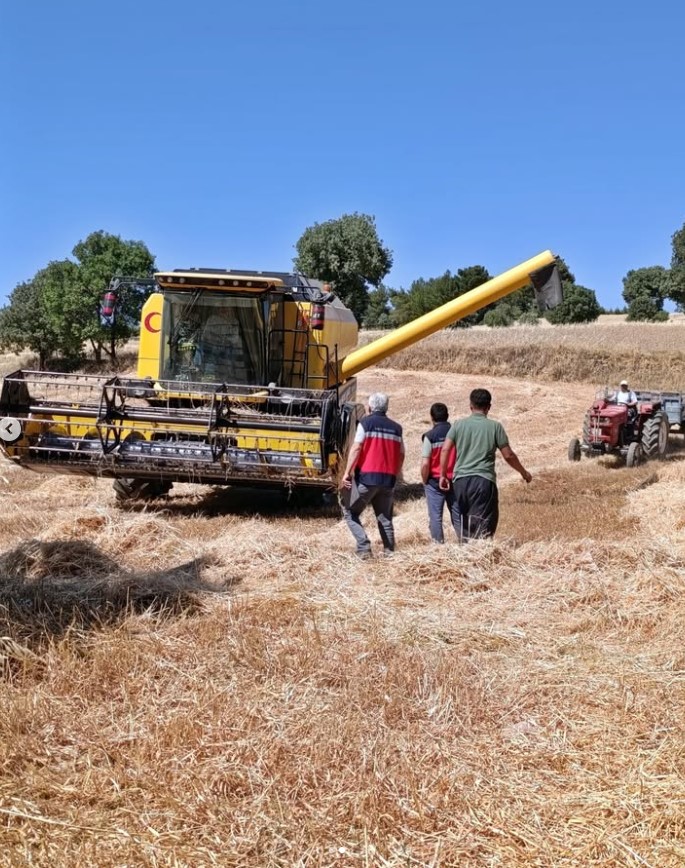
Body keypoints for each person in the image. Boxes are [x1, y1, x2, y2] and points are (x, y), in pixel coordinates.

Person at [439, 388, 532, 541]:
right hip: (483, 481)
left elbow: (445, 450)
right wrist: (524, 473)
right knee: (484, 526)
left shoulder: (458, 425)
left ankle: (465, 554)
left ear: (470, 406)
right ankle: (479, 557)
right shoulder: (495, 427)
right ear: (489, 407)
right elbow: (508, 455)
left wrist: (443, 475)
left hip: (460, 482)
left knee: (465, 524)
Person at [340, 392, 405, 558]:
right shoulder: (397, 428)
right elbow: (402, 453)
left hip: (367, 479)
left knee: (350, 512)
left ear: (370, 407)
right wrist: (395, 475)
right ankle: (390, 552)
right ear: (386, 408)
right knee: (385, 518)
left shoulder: (365, 423)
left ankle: (364, 547)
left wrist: (347, 473)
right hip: (388, 480)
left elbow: (356, 448)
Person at [421, 402, 459, 543]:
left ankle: (438, 546)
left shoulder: (429, 436)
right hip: (455, 479)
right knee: (457, 514)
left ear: (431, 417)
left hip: (435, 481)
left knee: (436, 516)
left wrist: (425, 480)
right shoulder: (457, 433)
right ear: (447, 416)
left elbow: (425, 463)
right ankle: (465, 543)